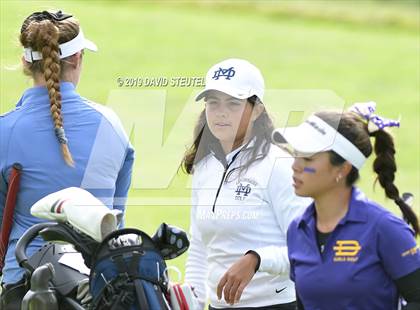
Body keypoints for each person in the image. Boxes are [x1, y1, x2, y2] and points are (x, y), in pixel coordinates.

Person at [0, 10, 134, 309]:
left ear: (25, 62)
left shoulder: (5, 130)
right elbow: (115, 217)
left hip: (25, 286)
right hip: (100, 289)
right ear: (76, 58)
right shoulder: (111, 125)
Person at [182, 58, 310, 309]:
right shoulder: (205, 166)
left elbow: (308, 248)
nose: (221, 112)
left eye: (233, 103)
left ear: (257, 110)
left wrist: (257, 259)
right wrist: (193, 303)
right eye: (213, 102)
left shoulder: (280, 165)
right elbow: (199, 244)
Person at [272, 102, 420, 309]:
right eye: (296, 154)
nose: (295, 166)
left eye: (308, 158)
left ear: (342, 169)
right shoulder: (298, 229)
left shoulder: (384, 228)